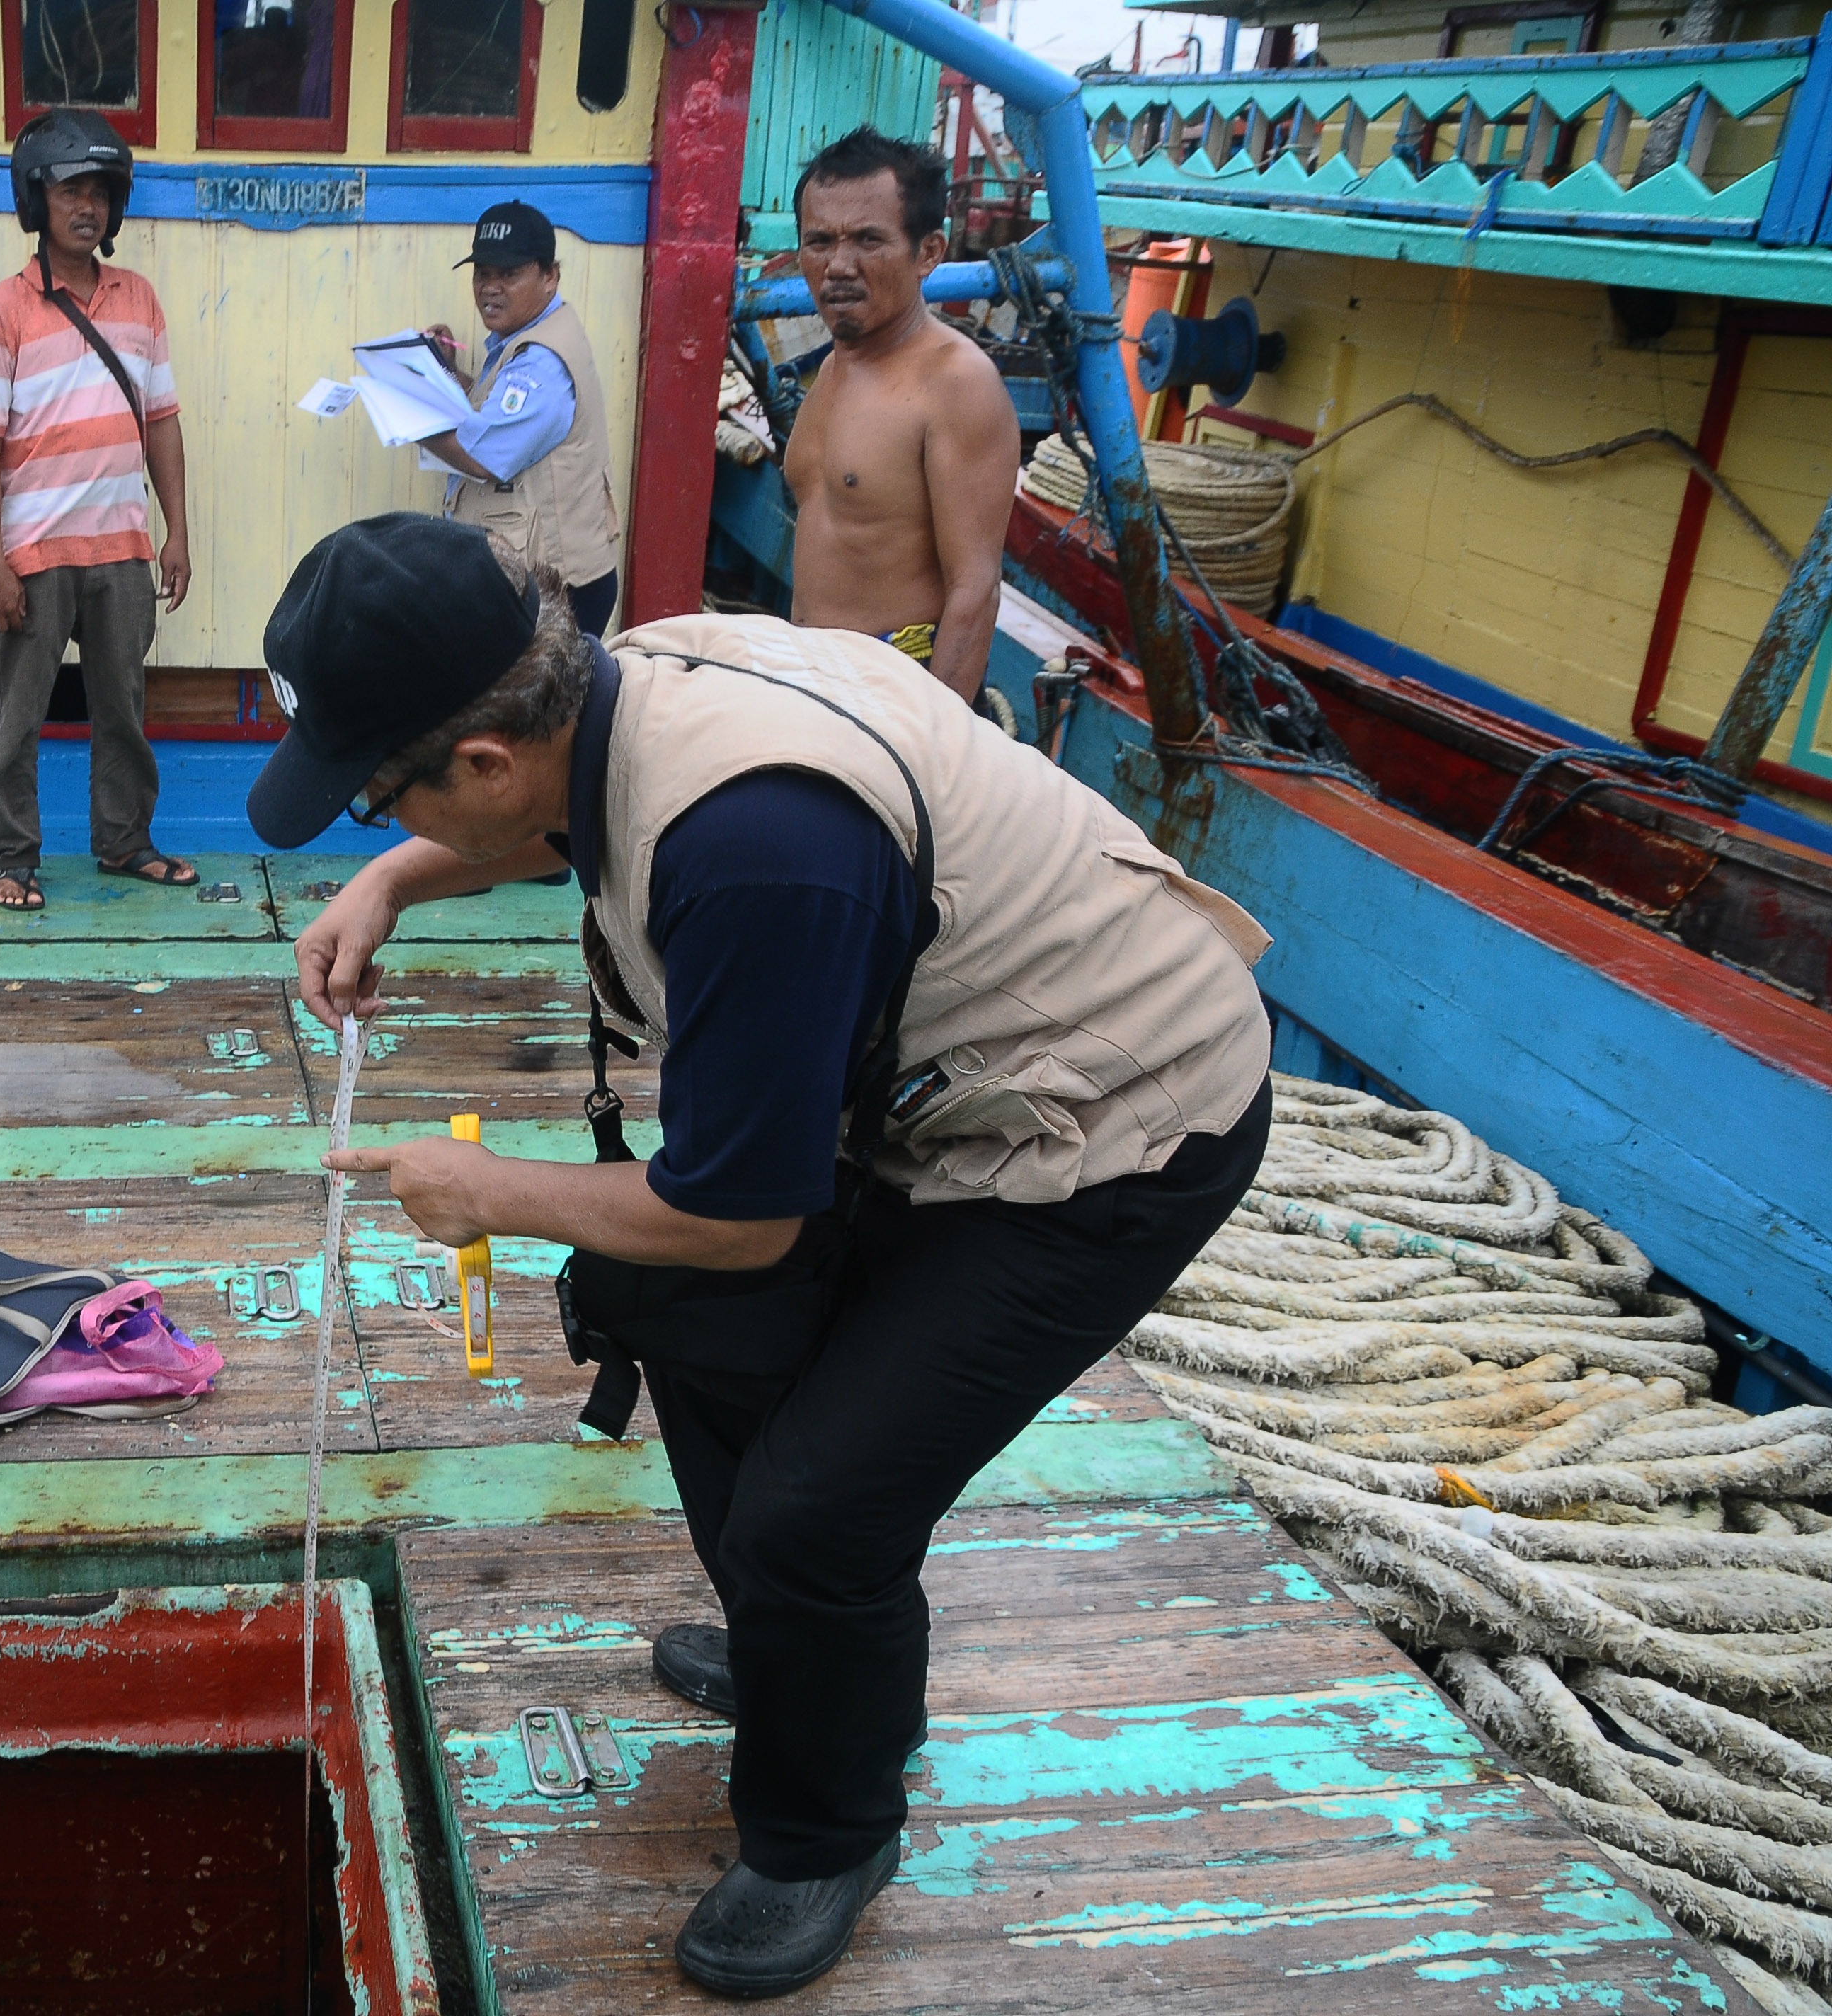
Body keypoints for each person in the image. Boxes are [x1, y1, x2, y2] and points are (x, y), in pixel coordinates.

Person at [251, 512, 1274, 2000]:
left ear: (481, 758)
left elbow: (743, 1214)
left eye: (368, 803)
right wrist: (393, 881)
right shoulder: (613, 682)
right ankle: (808, 1659)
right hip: (941, 1073)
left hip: (1111, 1129)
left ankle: (824, 1826)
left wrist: (481, 1188)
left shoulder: (750, 846)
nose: (366, 823)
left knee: (819, 1508)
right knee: (687, 1321)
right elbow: (554, 813)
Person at [0, 108, 197, 914]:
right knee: (17, 718)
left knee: (122, 709)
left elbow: (160, 422)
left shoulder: (141, 301)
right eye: (69, 190)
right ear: (37, 199)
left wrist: (177, 533)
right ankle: (13, 857)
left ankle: (125, 842)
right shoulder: (0, 312)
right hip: (33, 552)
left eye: (99, 190)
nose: (86, 206)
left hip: (122, 549)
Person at [782, 128, 1020, 707]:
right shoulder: (837, 368)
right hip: (808, 686)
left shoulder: (956, 383)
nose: (838, 265)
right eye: (819, 241)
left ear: (930, 253)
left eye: (868, 240)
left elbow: (975, 589)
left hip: (894, 699)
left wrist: (930, 756)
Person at [417, 201, 625, 637]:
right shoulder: (528, 338)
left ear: (550, 276)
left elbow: (483, 454)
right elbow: (499, 414)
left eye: (509, 275)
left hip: (555, 594)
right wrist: (449, 376)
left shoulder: (540, 364)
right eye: (482, 274)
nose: (491, 288)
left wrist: (408, 409)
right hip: (540, 582)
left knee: (529, 706)